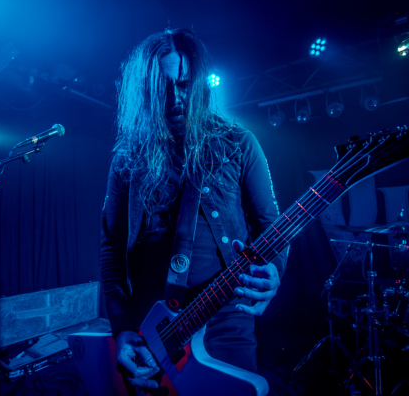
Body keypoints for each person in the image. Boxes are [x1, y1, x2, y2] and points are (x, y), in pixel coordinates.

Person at [100, 28, 288, 392]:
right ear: (146, 89)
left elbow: (270, 226)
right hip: (150, 327)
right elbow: (112, 248)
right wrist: (121, 328)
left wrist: (273, 272)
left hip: (224, 317)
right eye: (164, 86)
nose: (176, 98)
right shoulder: (126, 159)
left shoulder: (239, 143)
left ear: (200, 84)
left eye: (185, 84)